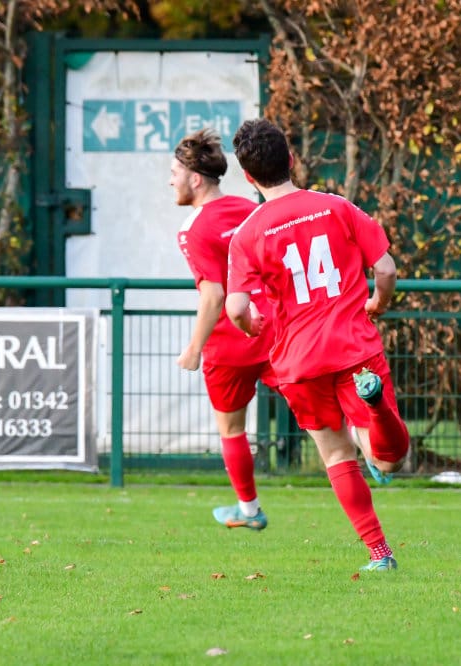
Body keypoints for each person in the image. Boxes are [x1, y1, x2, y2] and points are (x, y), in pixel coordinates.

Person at [225, 118, 410, 572]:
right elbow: (386, 268)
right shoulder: (335, 207)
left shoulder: (247, 234)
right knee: (388, 462)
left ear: (247, 176)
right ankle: (376, 409)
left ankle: (379, 554)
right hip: (354, 347)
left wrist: (251, 325)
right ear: (291, 159)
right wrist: (378, 302)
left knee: (337, 455)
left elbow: (235, 307)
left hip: (299, 360)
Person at [170, 127, 277, 531]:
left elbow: (213, 295)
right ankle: (375, 452)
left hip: (230, 344)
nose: (170, 181)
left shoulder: (192, 229)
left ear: (195, 179)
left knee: (232, 430)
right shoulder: (251, 209)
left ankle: (249, 511)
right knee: (323, 412)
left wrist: (194, 348)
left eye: (174, 173)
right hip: (271, 329)